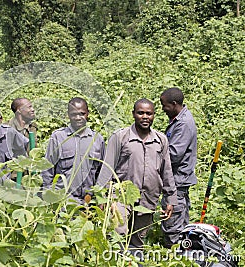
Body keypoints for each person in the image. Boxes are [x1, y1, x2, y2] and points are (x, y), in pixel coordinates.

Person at [97, 98, 177, 248]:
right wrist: (101, 197)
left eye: (149, 113)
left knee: (138, 238)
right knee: (117, 235)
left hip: (148, 197)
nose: (145, 117)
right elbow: (106, 168)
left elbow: (167, 171)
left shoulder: (161, 140)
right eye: (140, 113)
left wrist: (171, 198)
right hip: (120, 196)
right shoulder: (120, 137)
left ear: (154, 115)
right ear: (133, 114)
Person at [42, 97, 105, 204]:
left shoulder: (97, 139)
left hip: (90, 201)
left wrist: (100, 198)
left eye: (82, 114)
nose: (78, 118)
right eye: (73, 114)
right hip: (63, 201)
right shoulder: (58, 137)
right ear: (68, 115)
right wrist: (49, 196)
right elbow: (47, 168)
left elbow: (102, 171)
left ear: (87, 114)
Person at [160, 87, 197, 248]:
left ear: (174, 104)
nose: (162, 109)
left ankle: (173, 252)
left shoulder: (183, 123)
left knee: (172, 221)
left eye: (165, 105)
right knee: (180, 217)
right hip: (179, 178)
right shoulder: (179, 119)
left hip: (177, 179)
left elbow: (174, 154)